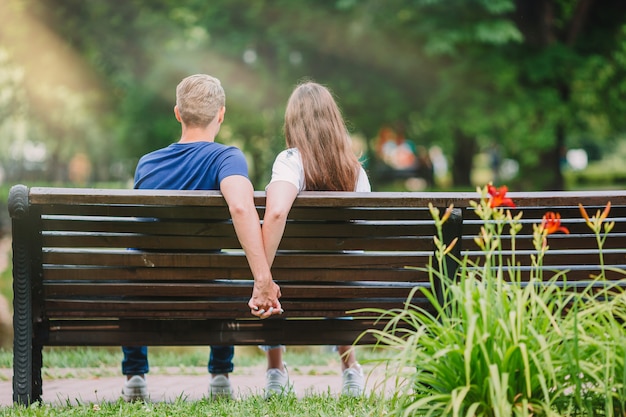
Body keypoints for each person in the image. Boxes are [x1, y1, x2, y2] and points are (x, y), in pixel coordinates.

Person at [121, 74, 282, 402]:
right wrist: (263, 278)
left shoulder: (147, 164)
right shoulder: (227, 158)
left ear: (177, 113)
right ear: (221, 114)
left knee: (133, 261)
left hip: (147, 289)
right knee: (225, 269)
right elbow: (240, 206)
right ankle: (220, 374)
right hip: (209, 286)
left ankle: (135, 375)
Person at [260, 81, 370, 398]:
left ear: (293, 122)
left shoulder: (291, 161)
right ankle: (350, 368)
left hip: (291, 280)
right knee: (338, 268)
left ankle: (275, 370)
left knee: (271, 274)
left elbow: (277, 213)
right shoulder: (355, 170)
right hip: (342, 285)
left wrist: (262, 276)